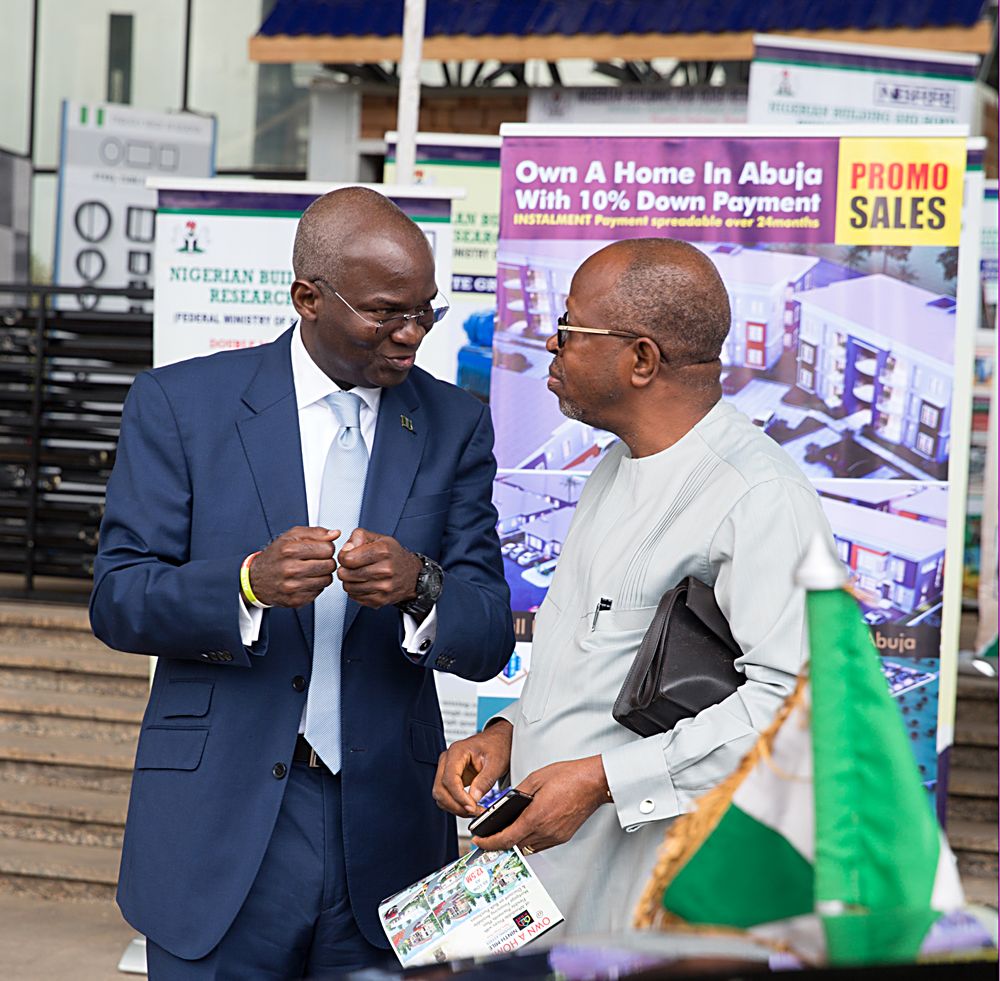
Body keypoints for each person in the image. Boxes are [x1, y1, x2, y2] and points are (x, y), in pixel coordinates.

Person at [90, 187, 515, 977]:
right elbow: (118, 598)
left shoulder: (455, 423)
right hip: (217, 828)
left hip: (389, 834)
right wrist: (245, 583)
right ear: (308, 297)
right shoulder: (181, 406)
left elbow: (490, 630)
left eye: (427, 310)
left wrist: (422, 586)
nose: (413, 334)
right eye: (387, 313)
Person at [433, 238, 835, 935]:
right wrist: (507, 733)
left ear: (642, 359)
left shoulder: (757, 496)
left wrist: (603, 779)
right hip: (545, 888)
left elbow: (793, 709)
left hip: (644, 902)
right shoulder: (616, 466)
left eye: (567, 331)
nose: (549, 348)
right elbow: (588, 661)